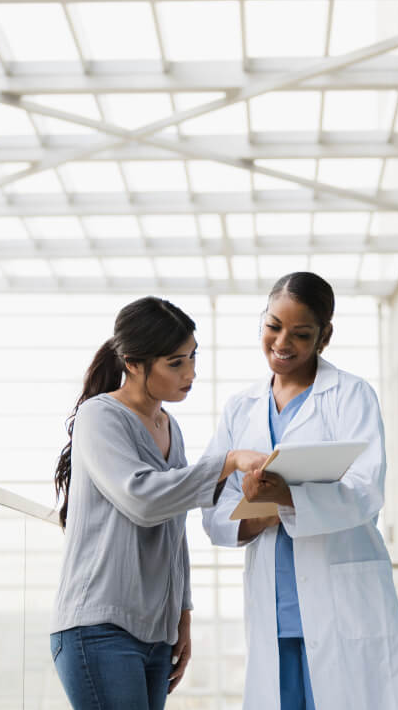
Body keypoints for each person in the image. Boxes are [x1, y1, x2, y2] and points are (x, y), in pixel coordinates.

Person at [202, 272, 398, 710]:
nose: (283, 342)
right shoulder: (240, 408)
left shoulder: (350, 395)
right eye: (273, 326)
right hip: (275, 606)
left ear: (324, 337)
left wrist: (286, 496)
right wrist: (264, 508)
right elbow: (212, 509)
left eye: (301, 334)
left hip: (341, 599)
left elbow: (365, 490)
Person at [50, 296, 267, 710]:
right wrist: (229, 462)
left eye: (192, 358)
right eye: (175, 363)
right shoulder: (101, 417)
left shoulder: (170, 426)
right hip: (98, 627)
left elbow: (172, 529)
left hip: (155, 635)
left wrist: (181, 619)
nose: (190, 373)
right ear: (133, 363)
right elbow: (144, 500)